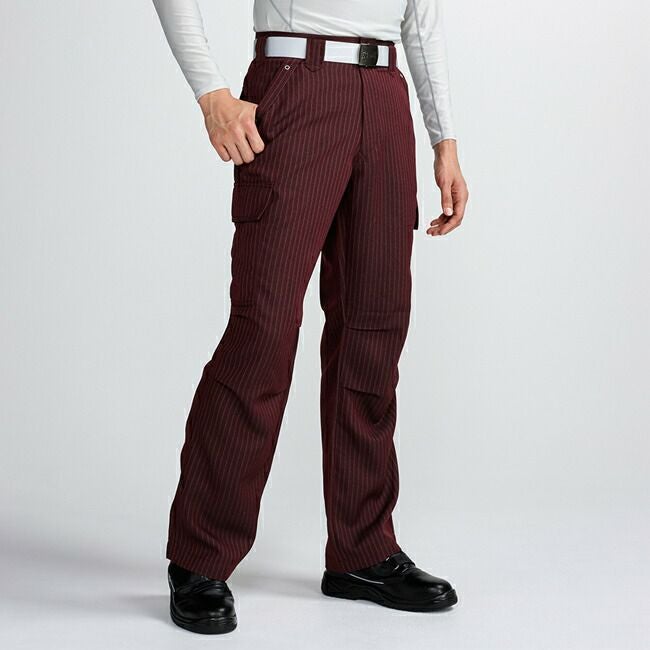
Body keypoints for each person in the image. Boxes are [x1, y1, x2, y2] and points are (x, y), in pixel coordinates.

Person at [152, 0, 468, 635]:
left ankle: (363, 551)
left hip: (385, 99)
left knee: (374, 330)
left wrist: (445, 141)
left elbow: (422, 23)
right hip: (297, 88)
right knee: (263, 332)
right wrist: (210, 93)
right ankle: (200, 558)